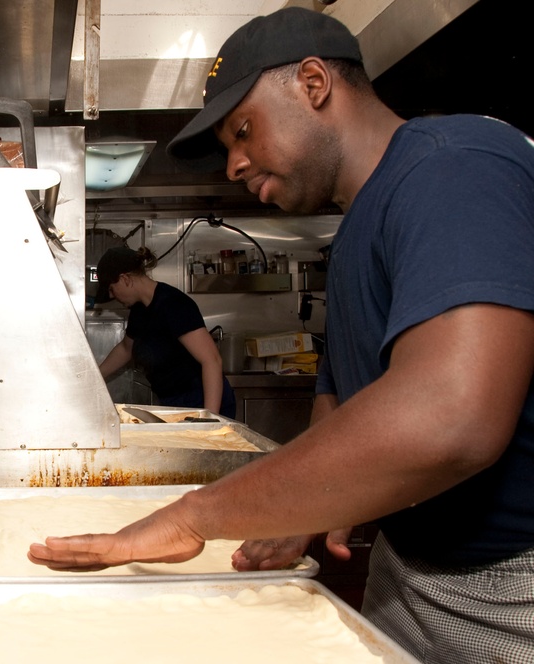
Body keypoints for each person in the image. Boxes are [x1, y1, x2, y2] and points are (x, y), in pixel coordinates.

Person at [30, 7, 534, 662]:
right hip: (406, 567)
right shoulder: (357, 231)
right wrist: (297, 510)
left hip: (511, 590)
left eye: (243, 131)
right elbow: (341, 402)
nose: (234, 164)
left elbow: (452, 417)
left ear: (314, 83)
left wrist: (194, 514)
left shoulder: (454, 167)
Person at [94, 245, 235, 418]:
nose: (112, 296)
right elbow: (126, 349)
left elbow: (211, 360)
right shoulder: (140, 309)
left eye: (111, 289)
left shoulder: (173, 304)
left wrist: (209, 418)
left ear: (125, 279)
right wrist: (94, 377)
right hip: (173, 401)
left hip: (200, 400)